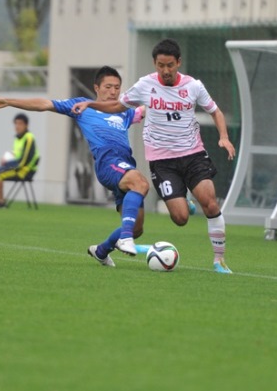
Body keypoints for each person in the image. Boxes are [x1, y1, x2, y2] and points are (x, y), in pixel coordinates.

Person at [72, 39, 236, 274]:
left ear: (178, 63)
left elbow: (215, 111)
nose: (165, 70)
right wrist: (91, 104)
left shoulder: (193, 86)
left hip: (193, 154)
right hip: (162, 162)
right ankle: (184, 200)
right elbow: (118, 106)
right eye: (160, 65)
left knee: (210, 203)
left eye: (170, 65)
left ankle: (219, 260)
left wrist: (224, 137)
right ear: (154, 64)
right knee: (180, 218)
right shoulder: (145, 85)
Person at [0, 66, 149, 266]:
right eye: (108, 87)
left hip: (125, 166)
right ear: (96, 88)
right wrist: (8, 101)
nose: (113, 92)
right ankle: (124, 239)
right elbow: (44, 104)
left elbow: (147, 109)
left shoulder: (123, 112)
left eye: (117, 87)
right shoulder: (82, 106)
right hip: (108, 163)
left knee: (136, 228)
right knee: (141, 183)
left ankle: (101, 251)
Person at [0, 113, 39, 208]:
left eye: (20, 124)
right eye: (16, 123)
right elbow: (16, 154)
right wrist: (6, 159)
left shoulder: (29, 138)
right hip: (17, 166)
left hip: (25, 170)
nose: (17, 126)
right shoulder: (17, 138)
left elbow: (25, 160)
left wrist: (8, 164)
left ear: (26, 125)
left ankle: (1, 201)